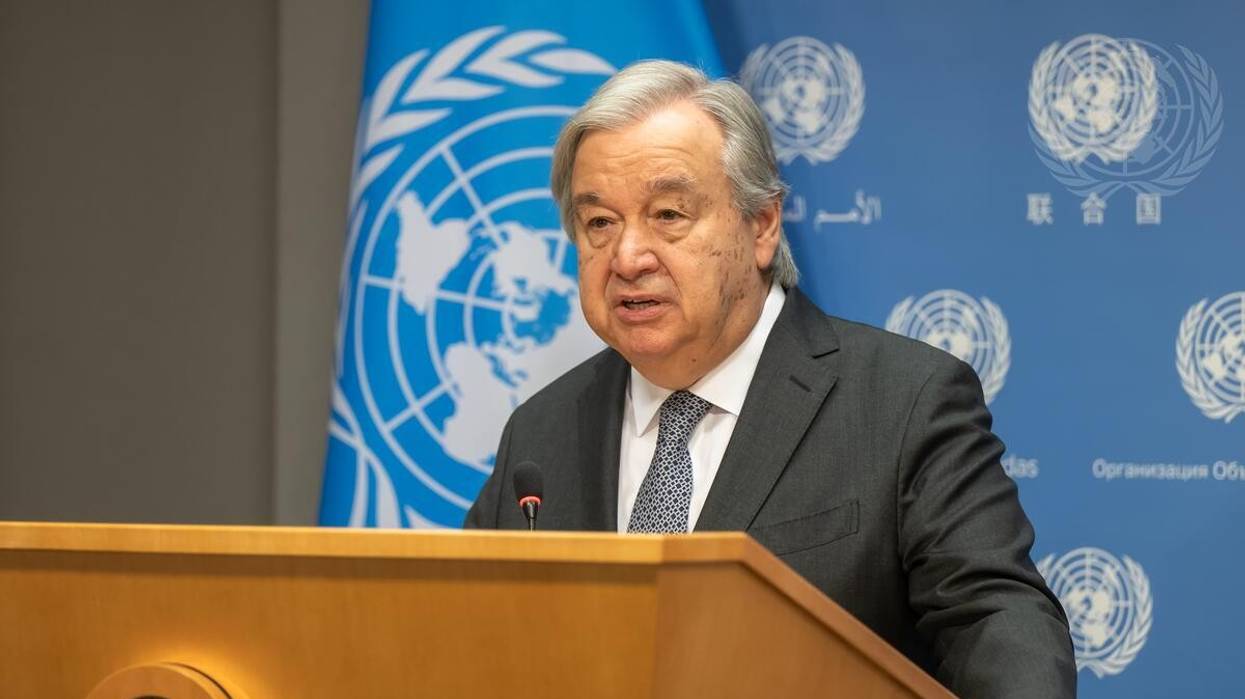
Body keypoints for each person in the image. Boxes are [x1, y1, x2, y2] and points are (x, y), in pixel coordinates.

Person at [465, 60, 1075, 697]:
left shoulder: (903, 404)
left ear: (761, 226)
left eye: (668, 214)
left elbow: (994, 624)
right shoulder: (541, 431)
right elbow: (462, 637)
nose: (627, 256)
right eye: (600, 223)